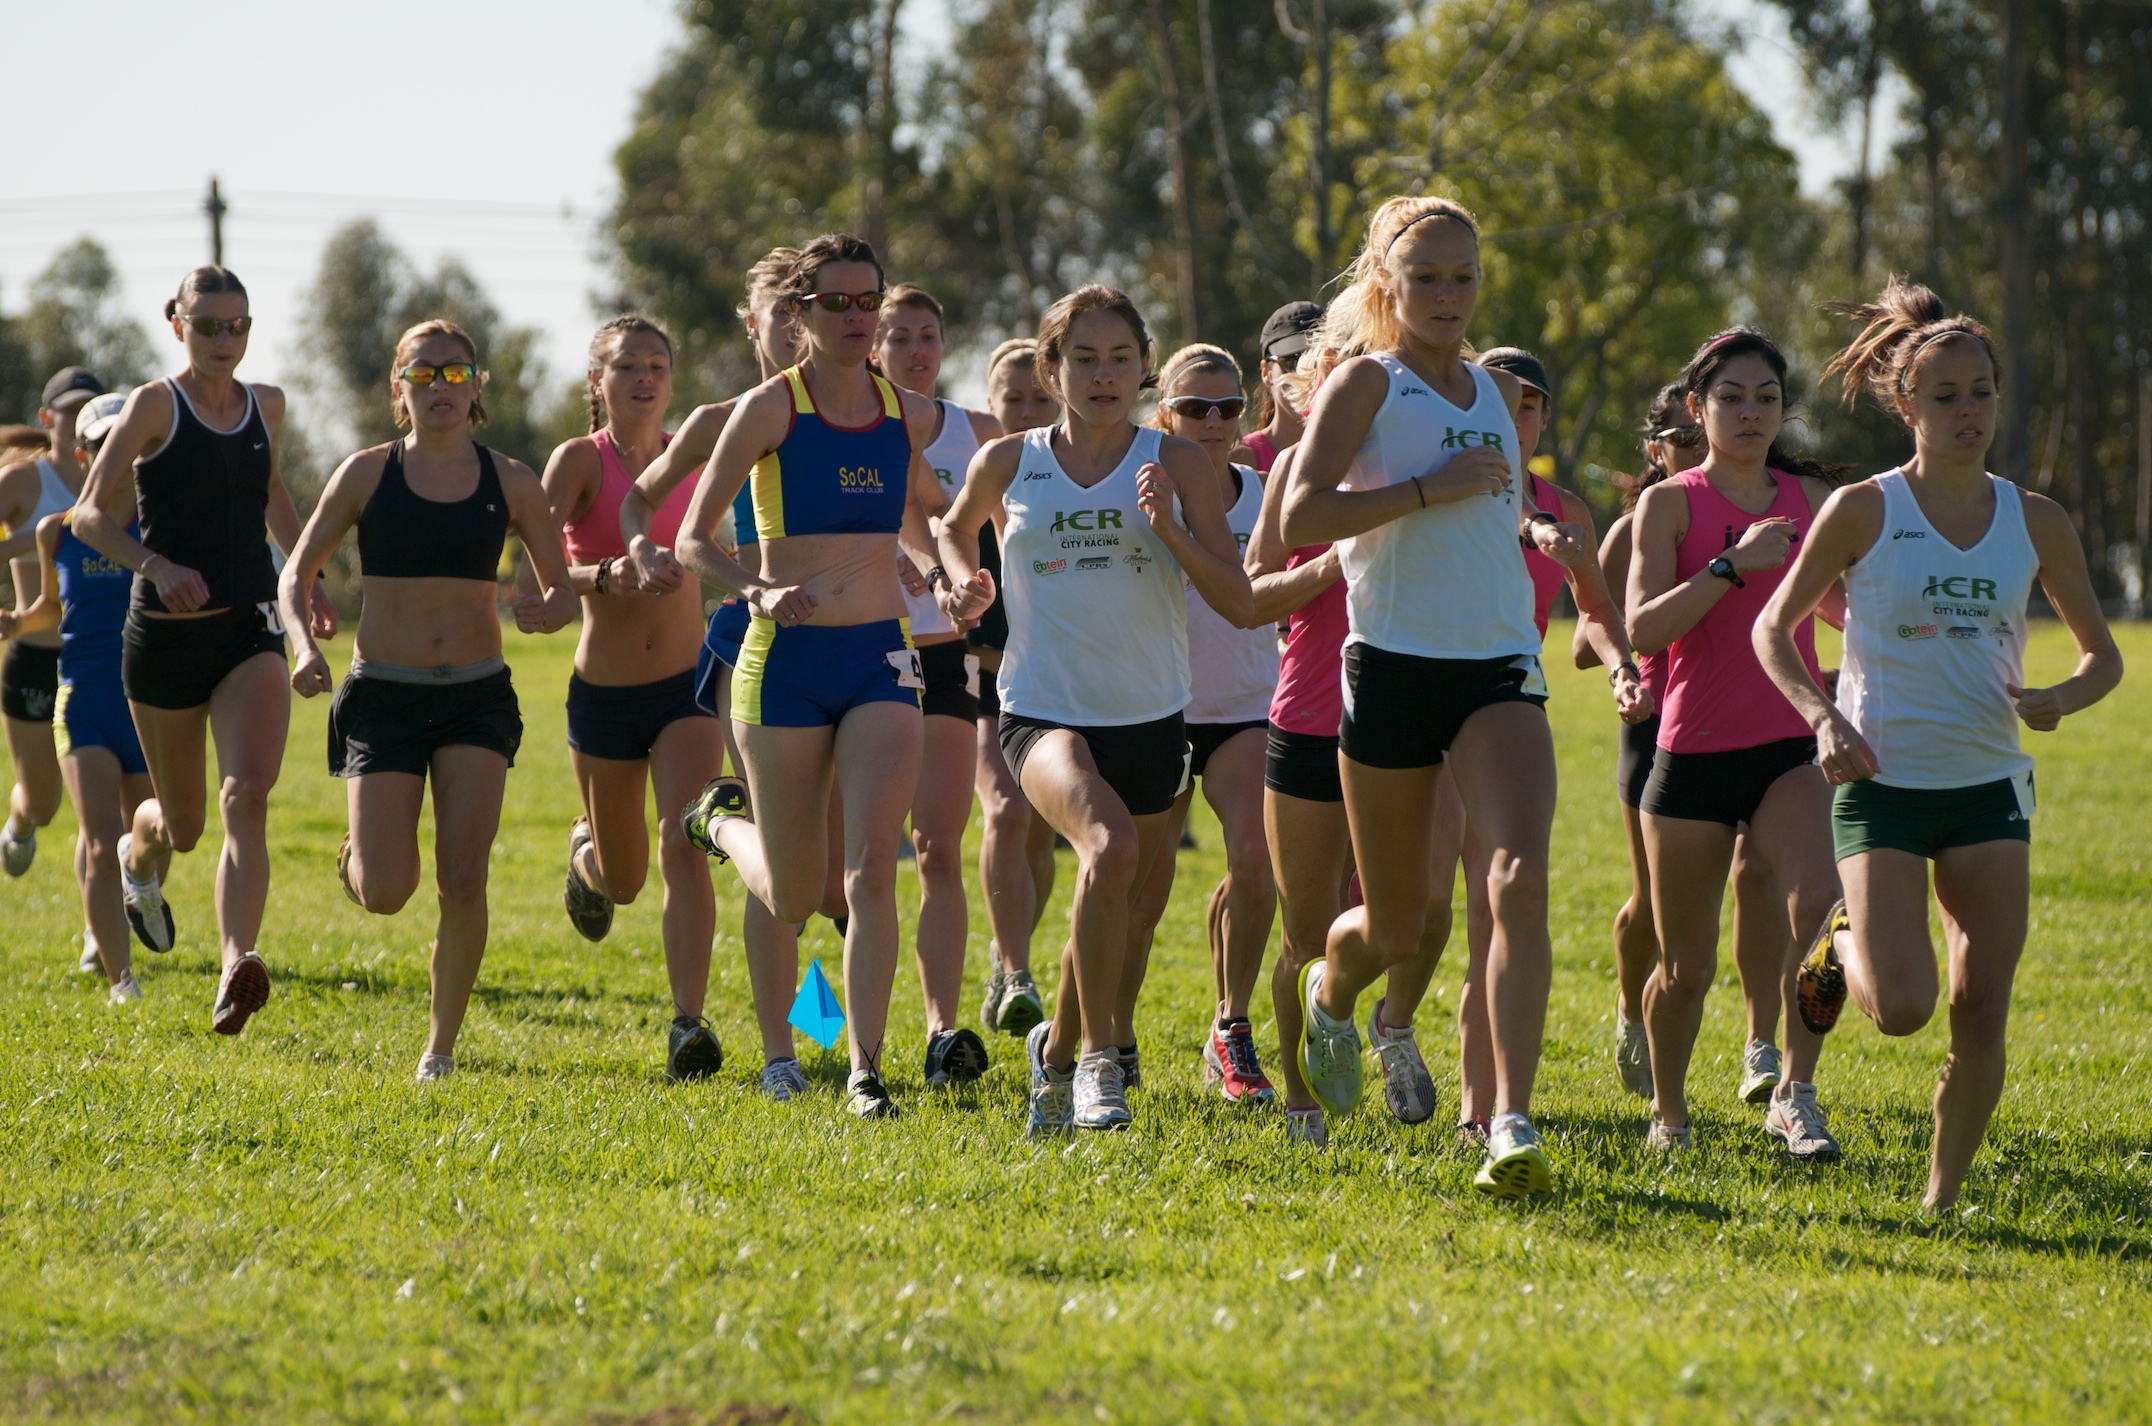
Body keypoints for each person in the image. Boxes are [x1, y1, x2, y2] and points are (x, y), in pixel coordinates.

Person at [1759, 277, 2120, 1211]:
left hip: (1990, 787)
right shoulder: (1865, 510)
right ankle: (1841, 944)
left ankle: (1940, 1201)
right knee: (1907, 1008)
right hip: (1881, 783)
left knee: (1980, 1009)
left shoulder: (2035, 519)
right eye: (1947, 395)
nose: (1969, 412)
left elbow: (2103, 659)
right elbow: (1773, 629)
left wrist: (2061, 697)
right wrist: (1823, 716)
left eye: (1983, 393)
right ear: (1906, 404)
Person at [1279, 196, 1588, 1197]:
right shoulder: (1366, 383)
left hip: (1498, 665)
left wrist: (1534, 537)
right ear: (1387, 284)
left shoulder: (1492, 392)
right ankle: (1333, 997)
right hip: (1392, 668)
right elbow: (1298, 514)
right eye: (1428, 279)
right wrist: (1428, 490)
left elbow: (1492, 516)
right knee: (1399, 925)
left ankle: (1507, 1120)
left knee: (1517, 881)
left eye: (1464, 277)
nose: (1449, 295)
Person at [937, 284, 1253, 1135]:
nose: (1103, 374)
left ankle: (1050, 1053)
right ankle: (1095, 1065)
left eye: (1120, 358)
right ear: (1052, 368)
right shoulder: (1010, 460)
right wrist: (961, 581)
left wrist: (1172, 530)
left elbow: (1236, 594)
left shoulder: (1179, 464)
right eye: (1083, 358)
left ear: (1145, 368)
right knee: (1107, 852)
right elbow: (953, 525)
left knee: (1117, 898)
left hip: (1154, 720)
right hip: (1040, 709)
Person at [674, 232, 948, 1120]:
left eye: (869, 302)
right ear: (800, 314)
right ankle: (720, 826)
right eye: (839, 304)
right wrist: (751, 584)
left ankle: (865, 1067)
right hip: (781, 664)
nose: (859, 318)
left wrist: (940, 570)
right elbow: (690, 538)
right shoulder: (769, 409)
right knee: (794, 893)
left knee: (872, 866)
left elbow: (916, 518)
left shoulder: (902, 410)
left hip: (879, 657)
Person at [282, 319, 576, 1080]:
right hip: (383, 695)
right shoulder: (363, 474)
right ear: (398, 388)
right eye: (423, 373)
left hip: (477, 698)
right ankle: (359, 858)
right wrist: (305, 646)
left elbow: (563, 591)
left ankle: (439, 1049)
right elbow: (295, 573)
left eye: (455, 374)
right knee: (387, 891)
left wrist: (551, 608)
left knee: (463, 877)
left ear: (477, 387)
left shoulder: (511, 480)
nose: (440, 387)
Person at [73, 267, 336, 1035]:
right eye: (209, 325)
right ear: (178, 323)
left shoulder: (269, 405)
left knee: (245, 795)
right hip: (161, 642)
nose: (226, 340)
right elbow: (89, 517)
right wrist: (156, 566)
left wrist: (304, 573)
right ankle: (137, 856)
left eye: (239, 326)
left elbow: (274, 495)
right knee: (182, 827)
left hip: (244, 628)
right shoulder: (156, 405)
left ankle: (234, 965)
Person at [623, 249, 840, 1102]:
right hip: (746, 636)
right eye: (779, 313)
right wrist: (642, 544)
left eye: (806, 307)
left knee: (824, 864)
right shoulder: (724, 419)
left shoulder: (854, 411)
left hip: (848, 641)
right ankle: (781, 1052)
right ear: (752, 326)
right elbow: (643, 501)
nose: (796, 326)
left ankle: (811, 1025)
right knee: (787, 846)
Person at [1626, 328, 1846, 1157]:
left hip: (1792, 741)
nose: (1750, 413)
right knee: (1686, 968)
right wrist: (1730, 566)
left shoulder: (1807, 500)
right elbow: (1645, 626)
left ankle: (1795, 1092)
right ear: (1697, 407)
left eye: (1765, 399)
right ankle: (1670, 1116)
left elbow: (1838, 611)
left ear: (1784, 410)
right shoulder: (1671, 503)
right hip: (1692, 756)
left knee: (1826, 915)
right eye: (1730, 398)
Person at [1448, 347, 1652, 1137]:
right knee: (1420, 917)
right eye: (1500, 400)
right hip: (1419, 703)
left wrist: (1621, 667)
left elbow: (1596, 609)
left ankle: (1487, 1112)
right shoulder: (1441, 484)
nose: (1515, 415)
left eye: (1530, 403)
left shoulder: (1564, 507)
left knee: (1494, 906)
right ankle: (1375, 1015)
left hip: (1505, 707)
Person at [526, 314, 728, 1082]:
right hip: (604, 696)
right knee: (627, 880)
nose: (644, 379)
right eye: (627, 367)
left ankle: (688, 1024)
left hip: (688, 689)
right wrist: (603, 575)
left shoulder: (697, 457)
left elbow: (727, 548)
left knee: (689, 842)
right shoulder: (579, 461)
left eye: (656, 366)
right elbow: (531, 581)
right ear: (597, 382)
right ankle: (587, 859)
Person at [1597, 386, 1790, 1108]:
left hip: (1753, 722)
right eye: (1678, 438)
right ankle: (1631, 1011)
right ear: (1659, 448)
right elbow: (1602, 627)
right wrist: (1622, 675)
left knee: (1761, 876)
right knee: (1656, 908)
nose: (1690, 450)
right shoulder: (1640, 525)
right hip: (1658, 723)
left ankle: (1760, 1045)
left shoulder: (1777, 499)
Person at [872, 284, 999, 1086]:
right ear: (872, 344)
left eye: (928, 336)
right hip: (859, 650)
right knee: (839, 871)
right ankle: (833, 1023)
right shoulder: (841, 426)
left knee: (937, 848)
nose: (917, 350)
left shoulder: (979, 433)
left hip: (948, 653)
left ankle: (941, 1032)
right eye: (900, 337)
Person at [1149, 343, 1280, 1104]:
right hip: (1154, 709)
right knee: (1138, 888)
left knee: (1256, 859)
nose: (1212, 421)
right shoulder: (1136, 489)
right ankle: (1103, 1043)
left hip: (1246, 708)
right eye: (1194, 407)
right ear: (1165, 411)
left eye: (1226, 407)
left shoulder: (1265, 491)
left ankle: (1231, 1028)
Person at [0, 392, 153, 1000]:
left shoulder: (160, 525)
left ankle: (139, 892)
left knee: (154, 838)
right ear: (85, 455)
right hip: (83, 697)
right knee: (97, 835)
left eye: (128, 444)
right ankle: (119, 977)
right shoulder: (53, 532)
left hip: (150, 706)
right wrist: (17, 624)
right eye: (99, 445)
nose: (114, 456)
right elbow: (51, 612)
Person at [969, 339, 1059, 1040]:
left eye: (1039, 397)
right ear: (989, 404)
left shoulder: (1065, 478)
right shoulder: (978, 480)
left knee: (1035, 842)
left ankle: (1005, 954)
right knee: (1003, 812)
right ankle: (1019, 975)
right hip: (980, 679)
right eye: (1013, 398)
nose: (1027, 410)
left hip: (1054, 683)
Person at [0, 367, 106, 882]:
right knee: (44, 805)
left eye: (93, 406)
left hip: (99, 661)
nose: (79, 418)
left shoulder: (121, 480)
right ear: (47, 418)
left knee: (105, 809)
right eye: (70, 408)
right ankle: (19, 820)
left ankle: (101, 931)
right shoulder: (23, 480)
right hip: (35, 656)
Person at [1239, 302, 1323, 474]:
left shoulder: (1356, 451)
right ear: (1267, 372)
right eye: (1292, 363)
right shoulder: (1243, 460)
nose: (1304, 375)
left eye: (1316, 363)